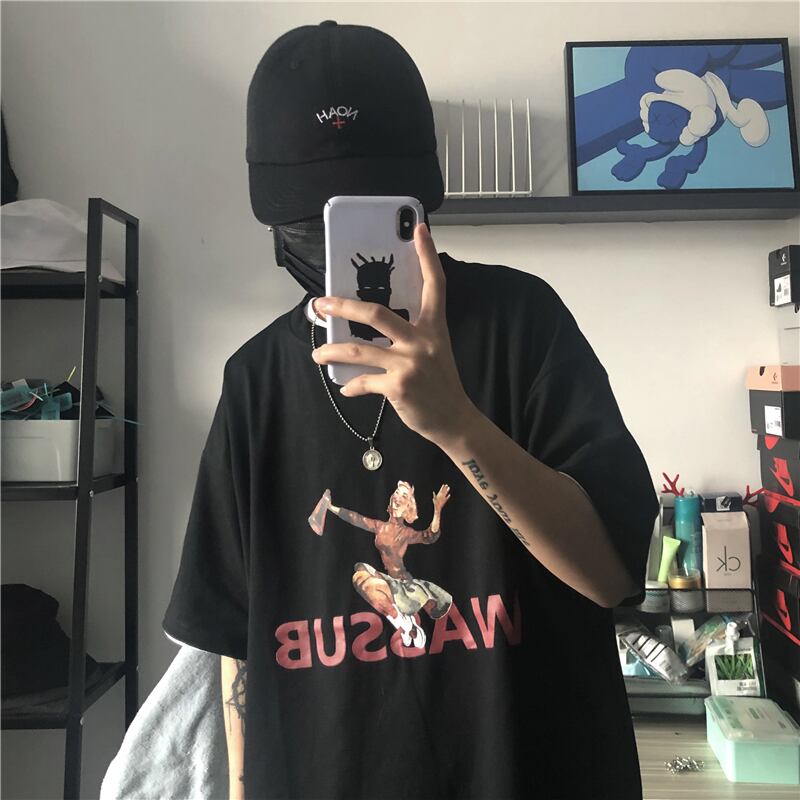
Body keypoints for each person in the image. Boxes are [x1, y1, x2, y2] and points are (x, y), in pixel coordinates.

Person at [162, 19, 659, 800]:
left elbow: (610, 574)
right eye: (312, 219)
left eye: (365, 211)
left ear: (419, 200)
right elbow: (237, 645)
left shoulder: (522, 323)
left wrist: (457, 423)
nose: (332, 245)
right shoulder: (254, 382)